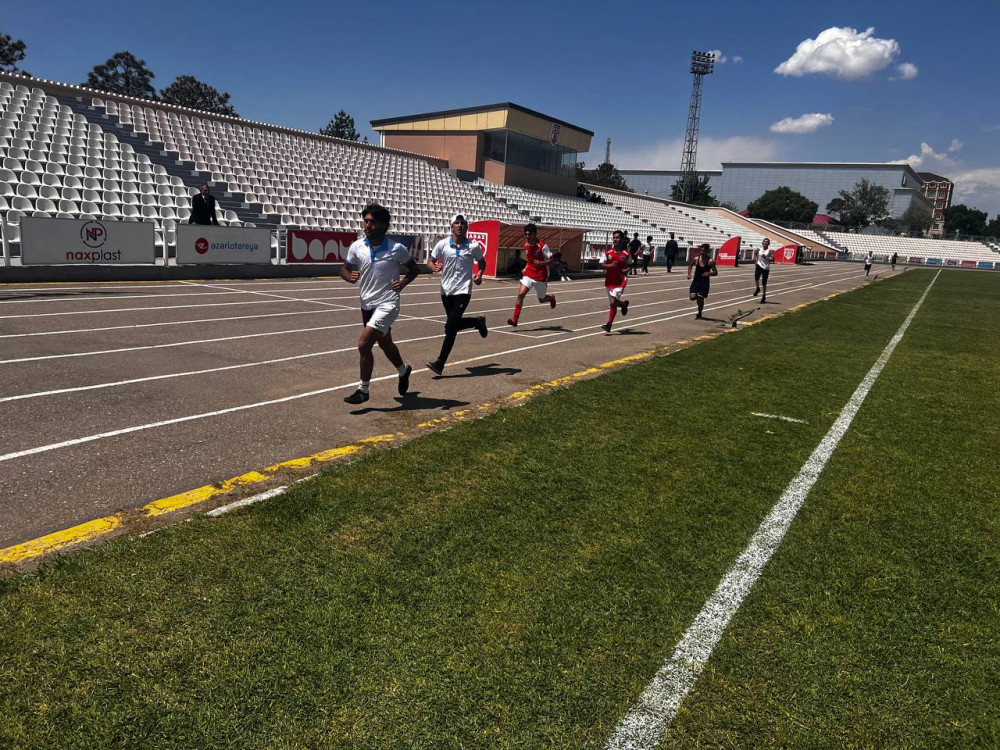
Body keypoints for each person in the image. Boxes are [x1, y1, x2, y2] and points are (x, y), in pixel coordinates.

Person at [340, 203, 419, 404]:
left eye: (372, 222)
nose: (367, 225)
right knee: (385, 343)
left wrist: (402, 283)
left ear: (384, 225)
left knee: (364, 344)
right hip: (367, 303)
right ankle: (403, 370)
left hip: (388, 303)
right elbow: (344, 268)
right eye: (365, 221)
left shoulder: (396, 249)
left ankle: (363, 390)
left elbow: (414, 269)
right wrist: (349, 277)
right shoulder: (357, 246)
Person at [425, 214, 488, 376]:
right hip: (446, 291)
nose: (459, 225)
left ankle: (440, 363)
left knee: (450, 326)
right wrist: (433, 267)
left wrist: (479, 274)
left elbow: (482, 263)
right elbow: (430, 261)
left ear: (466, 227)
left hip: (463, 290)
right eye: (457, 223)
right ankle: (477, 321)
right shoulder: (443, 244)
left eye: (462, 223)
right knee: (453, 325)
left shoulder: (473, 246)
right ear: (452, 226)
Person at [507, 223, 556, 327]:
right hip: (529, 274)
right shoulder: (526, 245)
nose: (527, 236)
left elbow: (551, 259)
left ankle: (551, 298)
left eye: (530, 234)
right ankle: (515, 320)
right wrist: (525, 268)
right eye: (526, 234)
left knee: (541, 299)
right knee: (520, 294)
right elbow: (530, 260)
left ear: (535, 234)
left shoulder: (542, 246)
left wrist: (541, 263)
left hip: (540, 276)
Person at [600, 230, 632, 333]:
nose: (615, 239)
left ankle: (609, 325)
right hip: (609, 281)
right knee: (613, 304)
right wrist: (610, 265)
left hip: (620, 282)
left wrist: (627, 270)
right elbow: (601, 264)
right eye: (614, 237)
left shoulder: (626, 253)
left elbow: (630, 264)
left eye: (617, 237)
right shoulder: (608, 252)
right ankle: (623, 304)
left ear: (622, 239)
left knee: (613, 302)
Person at [687, 243, 718, 319]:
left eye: (703, 251)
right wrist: (689, 274)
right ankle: (698, 297)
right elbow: (690, 265)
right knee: (692, 297)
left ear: (707, 251)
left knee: (701, 299)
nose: (702, 252)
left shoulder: (710, 261)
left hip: (704, 283)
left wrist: (709, 273)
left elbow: (715, 272)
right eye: (701, 250)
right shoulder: (696, 259)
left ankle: (699, 312)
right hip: (696, 282)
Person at [753, 237, 775, 304]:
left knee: (764, 283)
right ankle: (757, 288)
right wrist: (756, 261)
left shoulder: (769, 251)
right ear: (762, 243)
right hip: (759, 265)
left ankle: (764, 296)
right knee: (756, 278)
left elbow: (773, 259)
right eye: (764, 241)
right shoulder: (759, 249)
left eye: (767, 242)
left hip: (765, 268)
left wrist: (766, 258)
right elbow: (756, 255)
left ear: (768, 244)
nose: (765, 243)